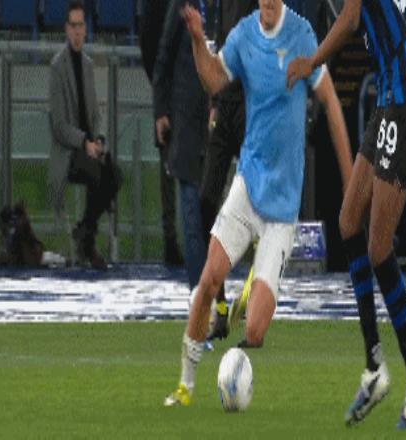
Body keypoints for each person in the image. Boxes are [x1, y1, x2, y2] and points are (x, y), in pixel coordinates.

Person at [164, 0, 353, 407]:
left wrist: (350, 180)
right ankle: (185, 385)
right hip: (248, 187)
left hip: (282, 210)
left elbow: (331, 104)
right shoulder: (244, 36)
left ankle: (252, 287)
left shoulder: (301, 35)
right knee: (208, 281)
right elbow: (213, 81)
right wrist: (197, 39)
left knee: (255, 332)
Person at [287, 0, 406, 429]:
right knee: (347, 221)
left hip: (401, 102)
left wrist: (311, 62)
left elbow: (350, 19)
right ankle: (374, 367)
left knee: (378, 247)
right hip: (394, 99)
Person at [49, 0, 121, 270]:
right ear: (66, 29)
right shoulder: (57, 67)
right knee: (96, 172)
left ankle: (84, 231)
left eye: (81, 25)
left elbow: (96, 114)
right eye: (74, 25)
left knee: (114, 174)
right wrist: (84, 142)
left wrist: (99, 139)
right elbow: (59, 126)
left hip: (89, 147)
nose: (78, 31)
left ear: (85, 29)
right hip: (69, 152)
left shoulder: (89, 65)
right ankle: (87, 243)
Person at [201, 0, 258, 342]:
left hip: (251, 105)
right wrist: (214, 101)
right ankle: (220, 307)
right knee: (207, 201)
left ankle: (255, 287)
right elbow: (220, 41)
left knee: (256, 200)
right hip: (225, 105)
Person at [153, 0, 208, 290]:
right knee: (190, 210)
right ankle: (198, 295)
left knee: (209, 212)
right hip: (185, 121)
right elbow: (163, 58)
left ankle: (210, 292)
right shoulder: (181, 4)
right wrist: (161, 111)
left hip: (214, 122)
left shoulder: (225, 8)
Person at [139, 0, 184, 267]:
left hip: (191, 94)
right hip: (168, 96)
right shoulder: (155, 6)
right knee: (167, 171)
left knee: (196, 171)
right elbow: (148, 45)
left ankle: (197, 238)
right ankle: (170, 240)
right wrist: (161, 90)